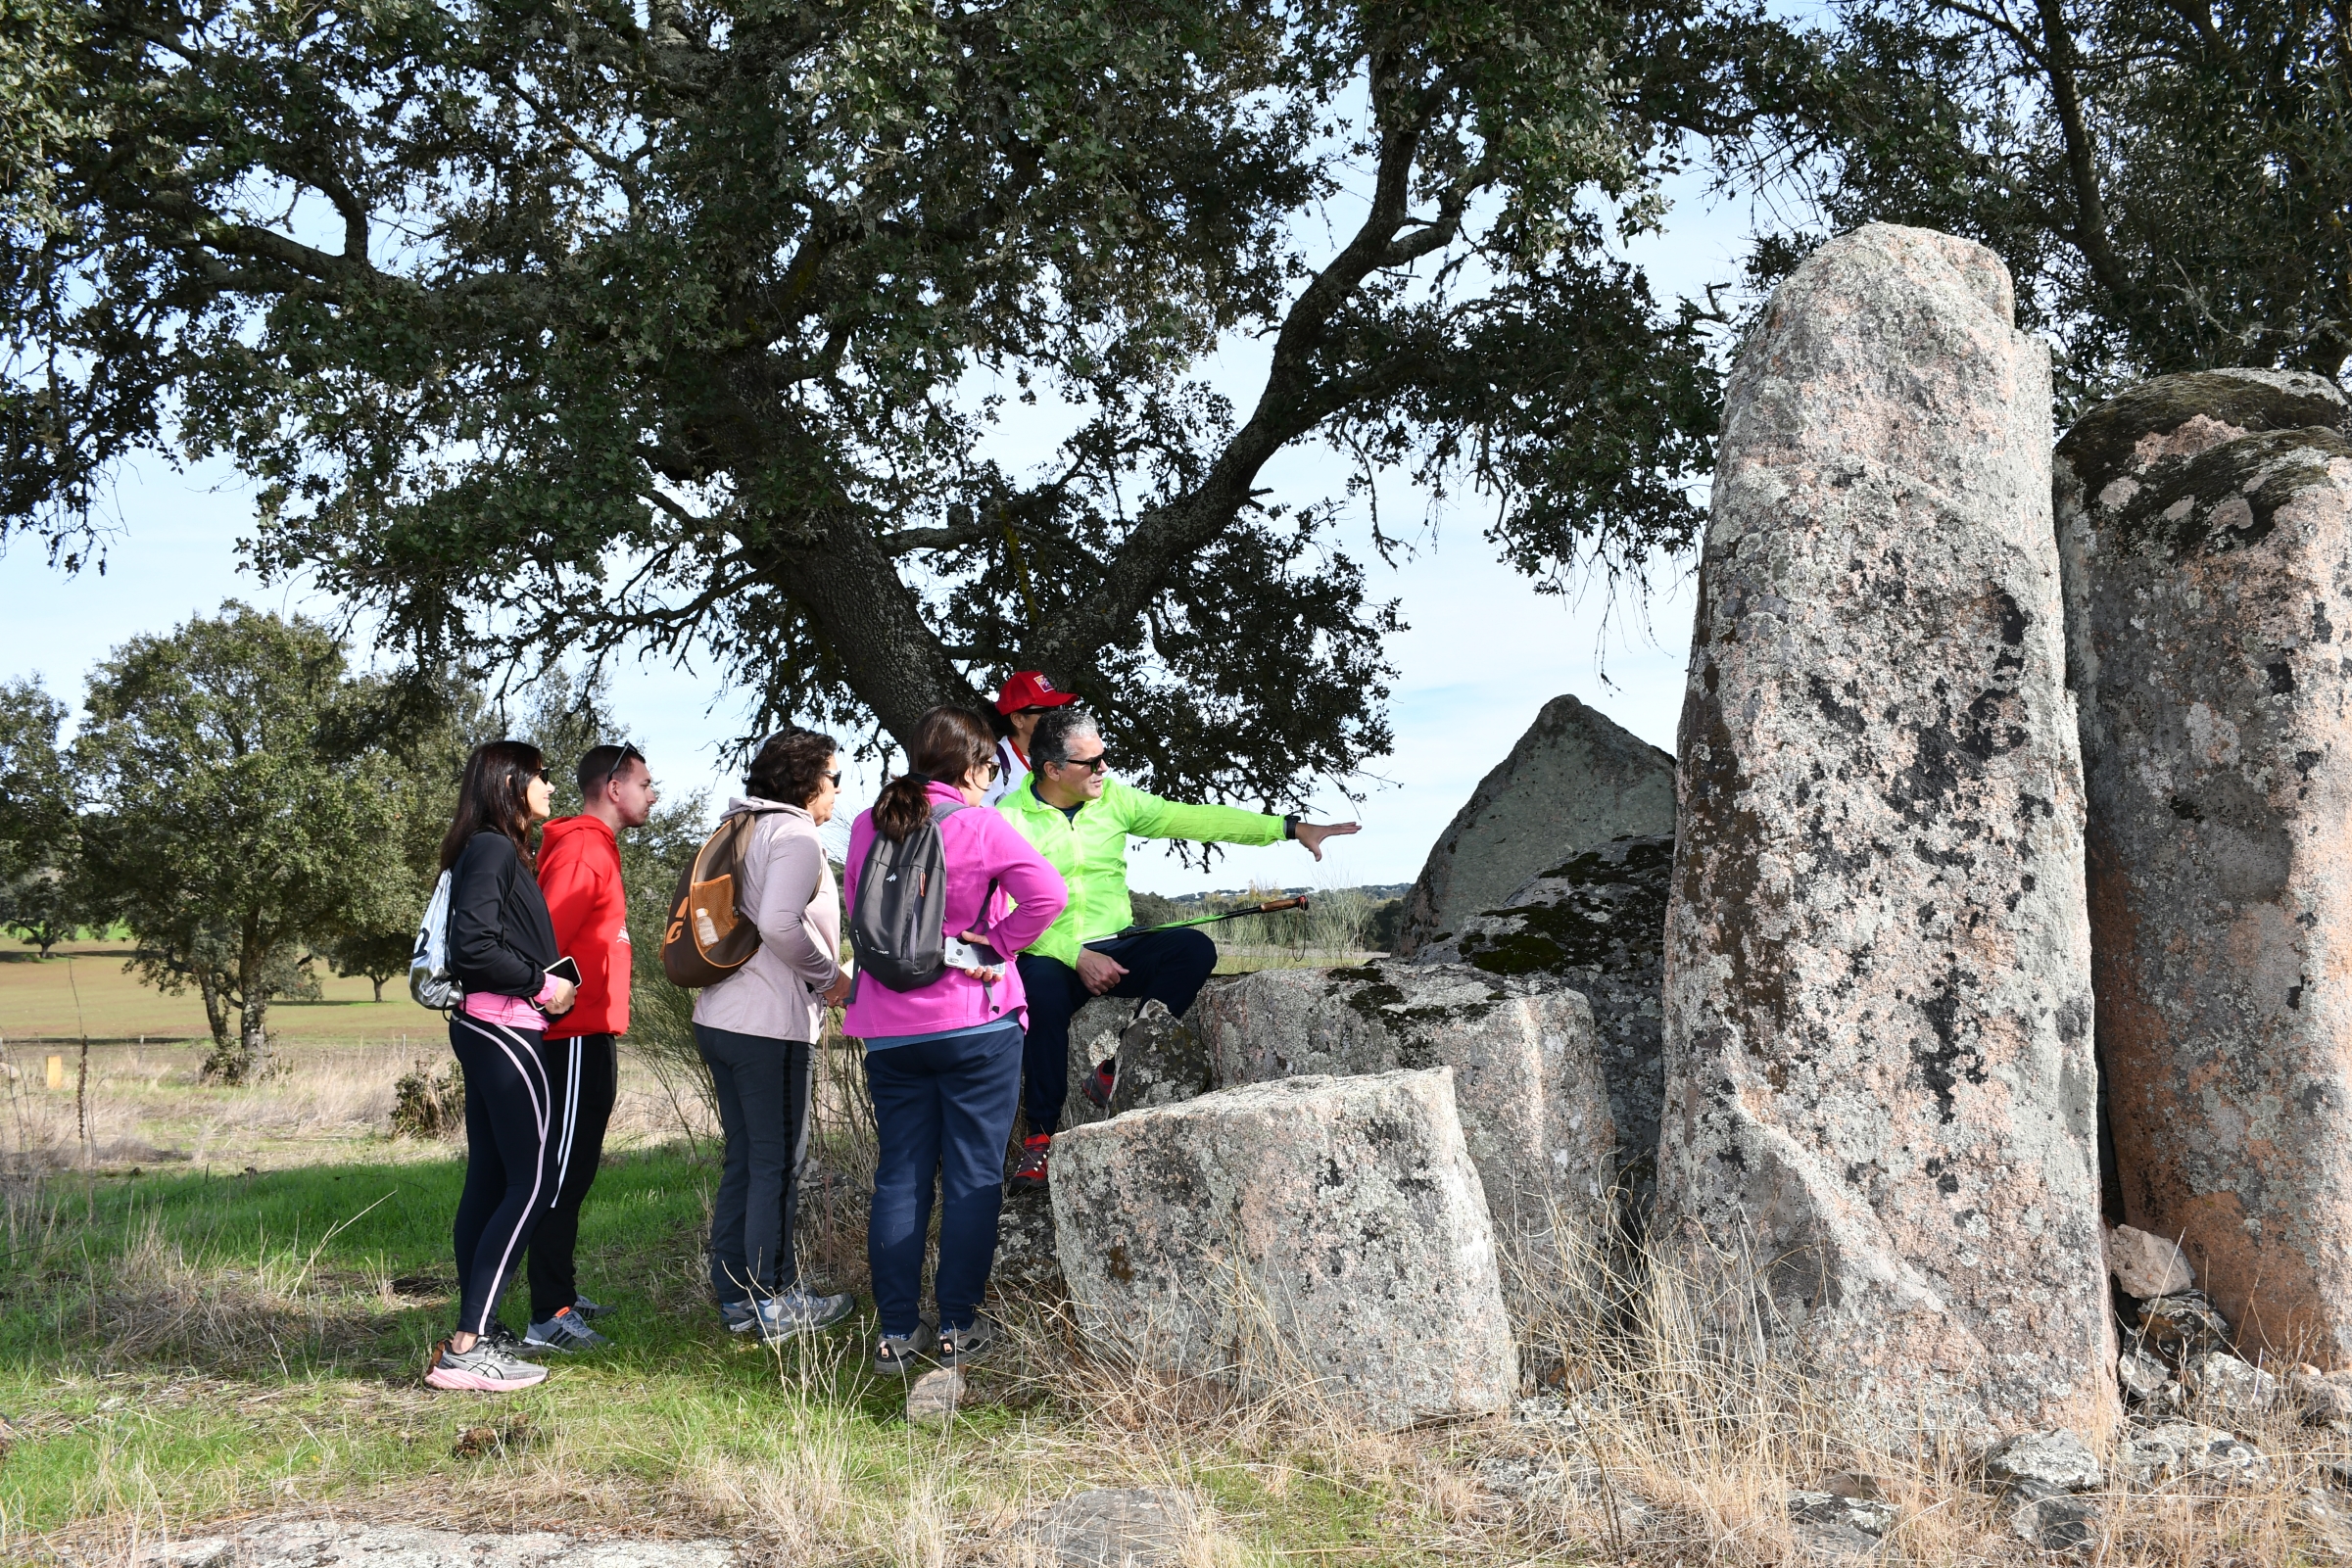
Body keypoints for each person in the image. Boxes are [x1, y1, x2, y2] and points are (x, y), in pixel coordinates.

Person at [999, 705, 1359, 1187]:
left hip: (1120, 942)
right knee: (1038, 996)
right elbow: (1004, 911)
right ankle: (1039, 1136)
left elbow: (1199, 821)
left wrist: (1290, 829)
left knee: (1193, 950)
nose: (1105, 769)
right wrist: (1076, 955)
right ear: (1053, 770)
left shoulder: (1114, 800)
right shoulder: (1007, 820)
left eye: (1105, 756)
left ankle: (1115, 1065)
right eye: (1092, 762)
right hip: (1051, 952)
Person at [843, 706, 1068, 1373]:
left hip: (888, 1027)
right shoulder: (980, 823)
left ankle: (896, 1333)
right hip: (975, 1019)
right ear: (971, 767)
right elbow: (1047, 896)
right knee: (972, 1175)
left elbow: (860, 905)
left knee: (900, 1177)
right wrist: (996, 942)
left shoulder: (866, 823)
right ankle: (958, 1328)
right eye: (988, 771)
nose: (988, 782)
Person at [692, 730, 858, 1342]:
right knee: (778, 1166)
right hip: (770, 1028)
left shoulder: (740, 828)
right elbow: (781, 925)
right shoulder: (794, 835)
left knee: (746, 1160)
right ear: (807, 782)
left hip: (721, 1018)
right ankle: (777, 1301)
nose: (838, 789)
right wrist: (831, 979)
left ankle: (736, 1296)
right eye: (833, 777)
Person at [425, 740, 580, 1393]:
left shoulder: (491, 848)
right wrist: (544, 988)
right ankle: (467, 1344)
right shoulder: (491, 847)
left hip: (487, 1027)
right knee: (533, 1181)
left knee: (491, 1178)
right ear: (513, 782)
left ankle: (479, 1331)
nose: (550, 785)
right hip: (504, 1027)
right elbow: (474, 944)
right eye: (542, 775)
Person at [522, 741, 658, 1353]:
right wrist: (558, 1002)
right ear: (612, 786)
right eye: (645, 783)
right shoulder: (580, 846)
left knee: (573, 1170)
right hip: (570, 1033)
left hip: (591, 1029)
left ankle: (562, 1293)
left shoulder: (595, 845)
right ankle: (548, 1314)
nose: (652, 794)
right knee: (561, 1172)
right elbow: (544, 934)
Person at [981, 671, 1077, 808]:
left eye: (1057, 709)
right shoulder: (994, 762)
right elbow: (980, 811)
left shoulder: (1060, 755)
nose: (1056, 718)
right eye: (1046, 711)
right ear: (1018, 719)